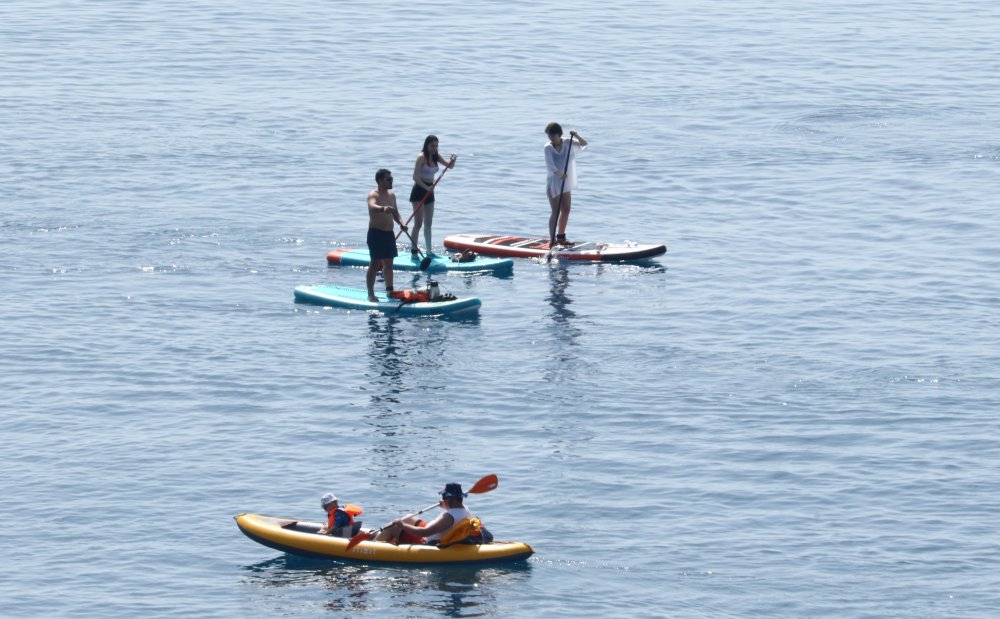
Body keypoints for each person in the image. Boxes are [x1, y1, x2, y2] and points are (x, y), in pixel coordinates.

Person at [374, 483, 478, 545]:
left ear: (451, 499)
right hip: (436, 533)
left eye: (445, 497)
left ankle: (374, 546)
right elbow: (454, 511)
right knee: (408, 517)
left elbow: (424, 532)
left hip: (426, 541)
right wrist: (445, 505)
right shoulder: (464, 509)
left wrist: (402, 526)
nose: (443, 499)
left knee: (392, 527)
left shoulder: (448, 517)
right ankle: (385, 537)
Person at [408, 135, 457, 257]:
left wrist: (453, 159)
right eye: (432, 146)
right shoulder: (421, 157)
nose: (434, 148)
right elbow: (415, 177)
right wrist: (426, 187)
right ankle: (414, 252)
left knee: (428, 224)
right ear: (426, 145)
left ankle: (429, 251)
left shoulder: (436, 156)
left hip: (430, 191)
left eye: (436, 146)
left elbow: (449, 166)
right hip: (419, 190)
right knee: (418, 223)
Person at [544, 122, 588, 247]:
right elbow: (550, 165)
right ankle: (552, 241)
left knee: (566, 209)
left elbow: (584, 145)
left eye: (553, 136)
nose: (550, 139)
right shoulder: (548, 147)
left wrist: (577, 135)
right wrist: (559, 174)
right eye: (549, 136)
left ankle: (561, 238)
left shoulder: (568, 142)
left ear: (559, 135)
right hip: (554, 182)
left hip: (566, 182)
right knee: (555, 211)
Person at [367, 168, 407, 302]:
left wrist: (402, 223)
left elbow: (395, 212)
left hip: (389, 234)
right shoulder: (374, 195)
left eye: (392, 179)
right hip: (376, 234)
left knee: (389, 264)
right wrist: (383, 208)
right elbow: (372, 206)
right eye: (388, 179)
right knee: (374, 264)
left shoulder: (392, 195)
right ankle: (371, 294)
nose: (391, 181)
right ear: (380, 181)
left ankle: (390, 291)